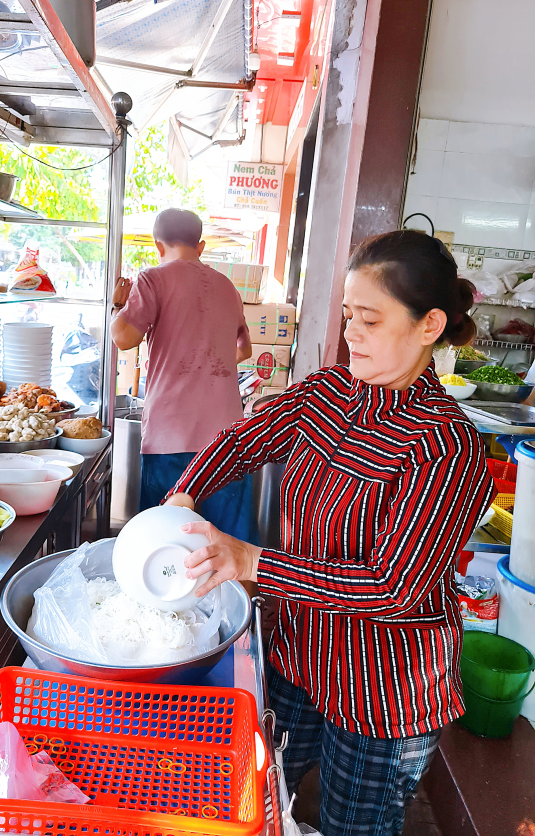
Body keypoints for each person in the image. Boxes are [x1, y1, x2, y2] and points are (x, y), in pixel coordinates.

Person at [165, 230, 495, 836]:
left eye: (370, 319)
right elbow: (242, 439)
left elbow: (391, 588)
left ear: (429, 326)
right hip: (301, 653)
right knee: (261, 795)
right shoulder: (328, 394)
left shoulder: (446, 447)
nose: (352, 334)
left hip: (385, 690)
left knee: (356, 825)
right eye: (348, 316)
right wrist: (183, 496)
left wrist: (251, 562)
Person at [110, 207, 258, 542]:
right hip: (227, 439)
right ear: (201, 246)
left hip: (170, 436)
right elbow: (244, 350)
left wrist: (118, 305)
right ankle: (243, 598)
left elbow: (124, 339)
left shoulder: (152, 278)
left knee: (165, 542)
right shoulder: (227, 287)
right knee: (230, 543)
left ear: (157, 245)